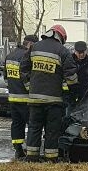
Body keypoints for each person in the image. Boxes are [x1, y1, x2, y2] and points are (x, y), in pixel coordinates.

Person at [21, 24, 78, 163]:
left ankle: (31, 158)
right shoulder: (62, 51)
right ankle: (51, 159)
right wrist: (73, 94)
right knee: (52, 131)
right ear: (61, 37)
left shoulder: (34, 47)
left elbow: (23, 68)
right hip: (53, 101)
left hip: (34, 100)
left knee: (34, 128)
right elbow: (71, 76)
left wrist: (30, 87)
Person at [4, 35, 38, 160]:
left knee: (17, 124)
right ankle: (31, 151)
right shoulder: (27, 57)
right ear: (30, 44)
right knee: (33, 125)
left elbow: (6, 78)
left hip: (13, 98)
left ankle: (18, 150)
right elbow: (29, 78)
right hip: (27, 99)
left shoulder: (9, 56)